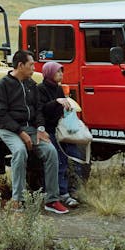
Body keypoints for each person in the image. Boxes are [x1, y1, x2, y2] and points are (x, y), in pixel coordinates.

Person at [0, 49, 66, 213]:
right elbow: (1, 115)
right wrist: (20, 132)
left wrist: (40, 128)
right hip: (9, 129)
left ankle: (52, 200)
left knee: (51, 151)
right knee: (20, 151)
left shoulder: (31, 84)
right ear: (20, 65)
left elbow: (38, 110)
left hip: (32, 129)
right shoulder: (2, 85)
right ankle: (17, 200)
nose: (34, 68)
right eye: (31, 65)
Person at [36, 60, 85, 208]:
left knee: (76, 156)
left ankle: (76, 190)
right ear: (49, 73)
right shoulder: (41, 89)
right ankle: (61, 193)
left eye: (61, 71)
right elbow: (42, 110)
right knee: (59, 161)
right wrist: (57, 102)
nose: (61, 74)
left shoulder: (58, 89)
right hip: (49, 130)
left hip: (62, 129)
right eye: (58, 72)